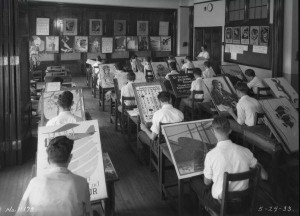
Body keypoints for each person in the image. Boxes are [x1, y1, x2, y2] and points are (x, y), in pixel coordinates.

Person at [190, 116, 268, 214]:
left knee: (194, 181)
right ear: (230, 131)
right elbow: (264, 176)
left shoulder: (211, 155)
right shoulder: (245, 151)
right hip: (244, 202)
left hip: (222, 205)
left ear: (213, 131)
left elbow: (207, 182)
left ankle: (201, 210)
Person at [16, 136, 91, 216]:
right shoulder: (81, 183)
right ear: (70, 158)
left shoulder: (34, 183)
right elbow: (88, 212)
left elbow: (20, 213)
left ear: (48, 159)